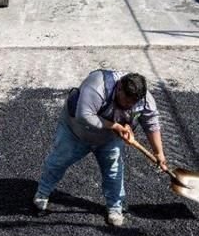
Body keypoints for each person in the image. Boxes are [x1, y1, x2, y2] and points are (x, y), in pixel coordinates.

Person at [34, 70, 166, 227]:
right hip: (76, 131)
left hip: (109, 139)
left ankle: (115, 207)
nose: (128, 105)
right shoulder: (97, 86)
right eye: (125, 101)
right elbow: (84, 115)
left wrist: (159, 153)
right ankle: (43, 192)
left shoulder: (144, 99)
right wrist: (114, 125)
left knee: (114, 171)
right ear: (119, 88)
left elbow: (151, 123)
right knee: (58, 161)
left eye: (132, 103)